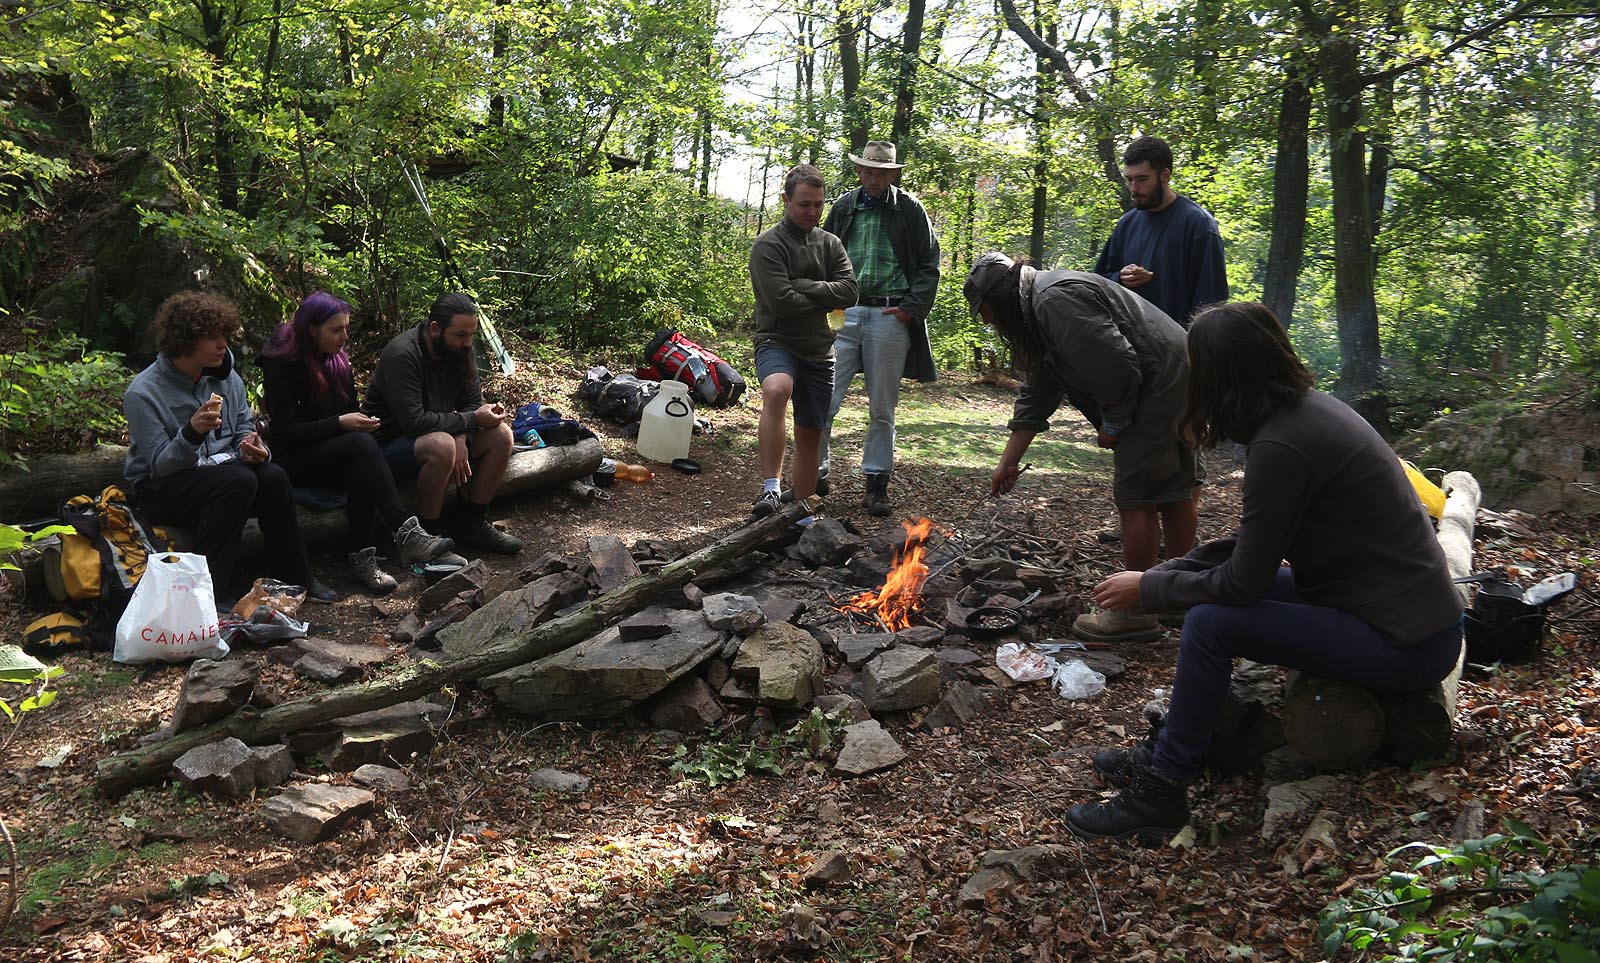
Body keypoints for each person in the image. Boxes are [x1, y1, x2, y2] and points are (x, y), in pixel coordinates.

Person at [1065, 302, 1465, 842]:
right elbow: (1252, 544)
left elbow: (1241, 583)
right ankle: (1170, 750)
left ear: (1222, 377)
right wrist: (1171, 570)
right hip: (1372, 603)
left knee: (1210, 623)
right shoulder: (1306, 414)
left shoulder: (1284, 445)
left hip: (1407, 642)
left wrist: (1151, 587)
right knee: (1214, 610)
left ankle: (1162, 791)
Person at [964, 253, 1201, 642]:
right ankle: (1177, 595)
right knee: (1175, 491)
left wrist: (1114, 421)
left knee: (1138, 496)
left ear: (1003, 296)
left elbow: (1118, 365)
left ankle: (1134, 612)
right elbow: (1039, 390)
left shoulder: (1054, 300)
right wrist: (1008, 462)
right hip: (1175, 380)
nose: (988, 320)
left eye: (987, 310)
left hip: (1160, 387)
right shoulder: (1036, 312)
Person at [123, 291, 337, 604]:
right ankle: (211, 594)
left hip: (221, 477)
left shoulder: (226, 377)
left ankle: (295, 580)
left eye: (224, 336)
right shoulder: (143, 393)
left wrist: (254, 448)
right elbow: (160, 466)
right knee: (239, 481)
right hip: (161, 489)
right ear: (184, 342)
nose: (223, 345)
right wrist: (192, 433)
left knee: (272, 476)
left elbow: (243, 431)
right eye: (212, 338)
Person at [259, 292, 460, 595]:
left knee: (363, 456)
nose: (345, 336)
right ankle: (405, 532)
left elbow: (348, 410)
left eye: (346, 328)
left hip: (331, 450)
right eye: (336, 330)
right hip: (292, 458)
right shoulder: (281, 364)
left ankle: (363, 558)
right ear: (312, 329)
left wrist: (361, 422)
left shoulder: (338, 360)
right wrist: (341, 424)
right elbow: (287, 431)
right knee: (359, 447)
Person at [818, 140, 940, 517]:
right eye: (868, 171)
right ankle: (815, 471)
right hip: (844, 311)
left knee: (882, 407)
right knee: (824, 394)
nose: (874, 178)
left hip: (890, 315)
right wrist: (823, 301)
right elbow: (820, 254)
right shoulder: (843, 206)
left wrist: (910, 309)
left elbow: (928, 264)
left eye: (882, 172)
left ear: (893, 174)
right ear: (859, 171)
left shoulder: (908, 209)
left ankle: (876, 483)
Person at [363, 292, 523, 555]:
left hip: (440, 436)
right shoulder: (402, 355)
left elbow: (473, 403)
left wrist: (462, 433)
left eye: (471, 335)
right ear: (435, 329)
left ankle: (473, 522)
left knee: (501, 435)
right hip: (388, 450)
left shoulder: (460, 350)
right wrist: (465, 425)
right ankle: (429, 535)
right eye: (460, 335)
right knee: (442, 445)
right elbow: (414, 421)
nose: (467, 343)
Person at [748, 163, 858, 520]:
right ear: (786, 200)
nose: (812, 212)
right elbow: (782, 302)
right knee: (777, 389)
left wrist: (804, 285)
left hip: (820, 350)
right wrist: (826, 296)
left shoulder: (830, 244)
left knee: (812, 430)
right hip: (777, 340)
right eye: (804, 204)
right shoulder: (768, 245)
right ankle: (771, 489)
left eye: (818, 205)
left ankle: (805, 512)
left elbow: (851, 291)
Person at [1094, 135, 1228, 327]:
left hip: (1178, 348)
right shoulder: (1126, 224)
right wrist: (1121, 278)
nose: (1134, 188)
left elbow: (1212, 304)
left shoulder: (1198, 225)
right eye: (1129, 179)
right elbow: (1098, 283)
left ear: (1165, 176)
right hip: (1129, 347)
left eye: (1142, 179)